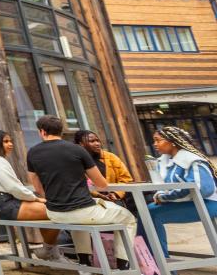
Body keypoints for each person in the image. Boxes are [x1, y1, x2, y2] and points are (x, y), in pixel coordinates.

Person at [27, 115, 136, 269]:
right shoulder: (77, 150)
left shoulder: (32, 152)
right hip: (84, 211)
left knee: (78, 219)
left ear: (42, 132)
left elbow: (38, 188)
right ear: (61, 131)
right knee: (128, 219)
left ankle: (84, 263)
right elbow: (101, 184)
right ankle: (123, 266)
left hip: (55, 213)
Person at [0, 130, 63, 261]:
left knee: (49, 210)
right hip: (4, 204)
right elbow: (14, 187)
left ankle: (49, 250)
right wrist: (35, 198)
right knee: (54, 210)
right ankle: (48, 250)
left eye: (11, 141)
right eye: (6, 141)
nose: (11, 144)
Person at [147, 126, 217, 258]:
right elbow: (168, 186)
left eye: (158, 140)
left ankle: (157, 262)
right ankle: (154, 260)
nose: (154, 144)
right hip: (191, 203)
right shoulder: (167, 161)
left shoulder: (193, 160)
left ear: (172, 141)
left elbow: (203, 188)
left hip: (209, 203)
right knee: (148, 211)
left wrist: (164, 197)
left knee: (151, 213)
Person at [74, 129, 134, 202]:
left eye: (97, 140)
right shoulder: (76, 162)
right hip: (91, 203)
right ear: (80, 144)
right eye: (92, 141)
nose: (97, 144)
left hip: (115, 201)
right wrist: (99, 196)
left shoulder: (111, 157)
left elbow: (126, 179)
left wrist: (116, 193)